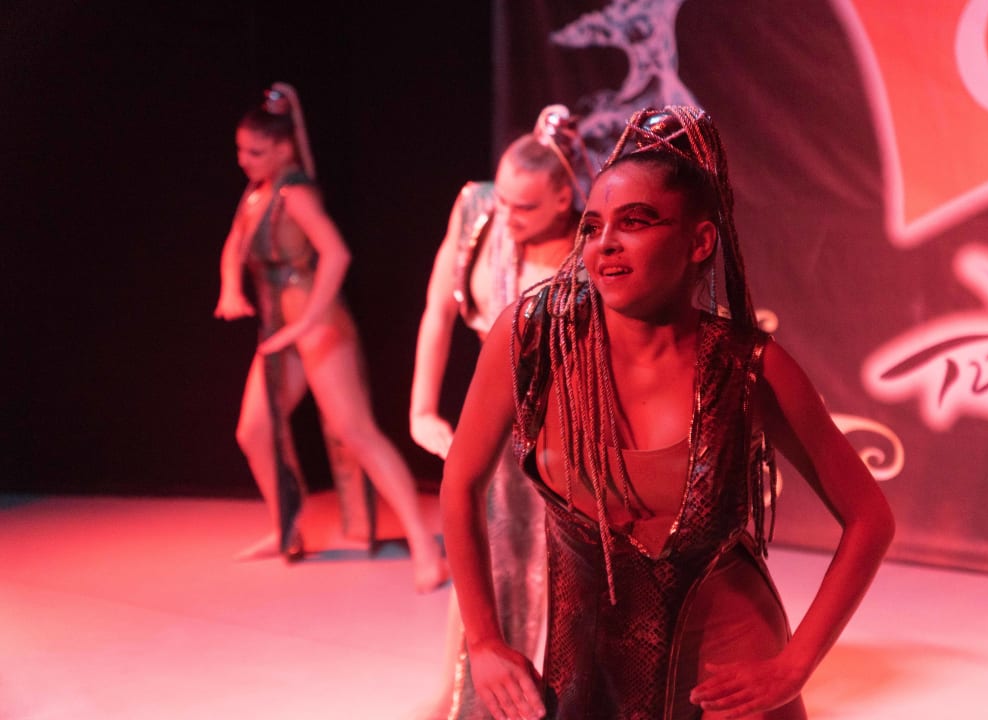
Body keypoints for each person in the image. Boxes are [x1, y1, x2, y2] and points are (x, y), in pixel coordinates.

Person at [440, 105, 895, 718]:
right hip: (590, 676)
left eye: (634, 221)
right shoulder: (533, 337)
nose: (606, 243)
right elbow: (459, 483)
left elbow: (869, 517)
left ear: (700, 241)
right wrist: (484, 641)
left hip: (730, 681)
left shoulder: (748, 367)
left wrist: (794, 665)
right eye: (593, 226)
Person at [214, 81, 447, 592]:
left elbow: (337, 255)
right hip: (281, 327)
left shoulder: (295, 194)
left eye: (255, 152)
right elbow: (234, 246)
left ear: (283, 149)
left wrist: (304, 323)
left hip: (317, 324)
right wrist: (230, 288)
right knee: (253, 430)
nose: (244, 160)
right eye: (240, 150)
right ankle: (286, 527)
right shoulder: (256, 194)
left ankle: (425, 548)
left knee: (355, 430)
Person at [410, 105, 593, 717]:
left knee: (555, 574)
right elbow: (439, 309)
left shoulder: (591, 245)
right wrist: (421, 408)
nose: (507, 216)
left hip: (561, 431)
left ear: (564, 197)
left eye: (525, 207)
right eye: (505, 200)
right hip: (490, 418)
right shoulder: (478, 209)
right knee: (482, 557)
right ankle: (470, 699)